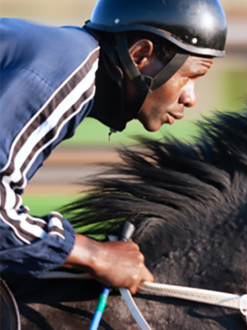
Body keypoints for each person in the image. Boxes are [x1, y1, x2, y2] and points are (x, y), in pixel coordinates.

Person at [0, 0, 227, 294]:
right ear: (140, 55)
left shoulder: (66, 55)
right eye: (189, 77)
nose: (190, 98)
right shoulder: (67, 68)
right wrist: (95, 255)